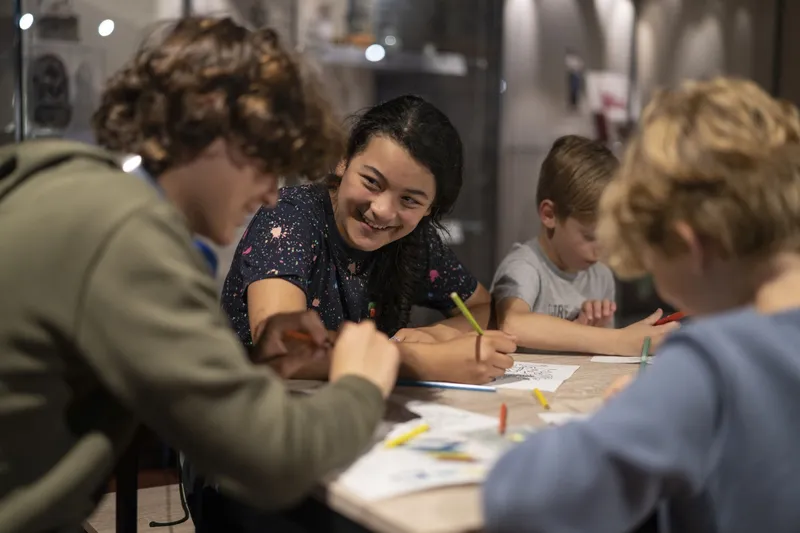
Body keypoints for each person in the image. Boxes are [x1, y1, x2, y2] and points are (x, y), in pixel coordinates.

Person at [0, 17, 401, 533]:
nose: (270, 195)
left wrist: (250, 369)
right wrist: (361, 385)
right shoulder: (129, 239)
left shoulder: (76, 184)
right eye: (265, 165)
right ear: (214, 133)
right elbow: (274, 462)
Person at [483, 78, 800, 533]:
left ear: (690, 247)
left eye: (654, 263)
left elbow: (520, 499)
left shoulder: (711, 364)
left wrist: (644, 410)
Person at [222, 95, 517, 385]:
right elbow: (285, 345)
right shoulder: (290, 217)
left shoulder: (415, 240)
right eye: (372, 182)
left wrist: (436, 335)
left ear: (430, 210)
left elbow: (482, 308)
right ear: (343, 161)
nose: (382, 211)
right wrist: (428, 361)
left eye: (410, 200)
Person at [492, 134, 677, 355]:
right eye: (589, 237)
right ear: (550, 215)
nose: (599, 251)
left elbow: (599, 355)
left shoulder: (601, 276)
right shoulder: (524, 267)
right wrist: (617, 340)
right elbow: (513, 325)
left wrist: (599, 330)